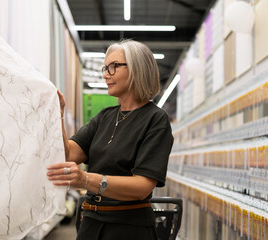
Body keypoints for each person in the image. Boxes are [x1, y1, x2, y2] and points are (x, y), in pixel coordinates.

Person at [47, 39, 174, 240]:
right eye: (105, 67)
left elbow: (142, 186)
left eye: (114, 66)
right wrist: (57, 116)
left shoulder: (155, 119)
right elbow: (69, 154)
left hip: (128, 228)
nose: (106, 74)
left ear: (137, 69)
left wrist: (86, 179)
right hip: (91, 222)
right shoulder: (105, 116)